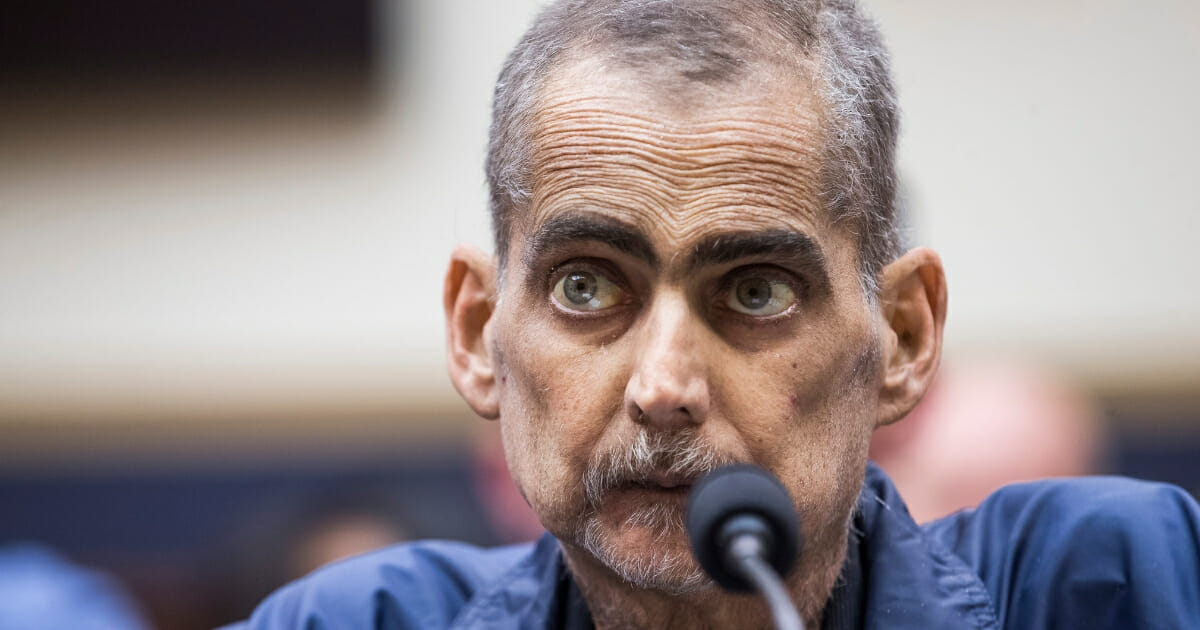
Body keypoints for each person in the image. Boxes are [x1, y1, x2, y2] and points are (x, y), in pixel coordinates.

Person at [228, 1, 1200, 628]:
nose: (664, 390)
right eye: (585, 286)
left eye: (756, 292)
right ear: (478, 331)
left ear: (903, 335)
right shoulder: (350, 623)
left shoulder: (1122, 584)